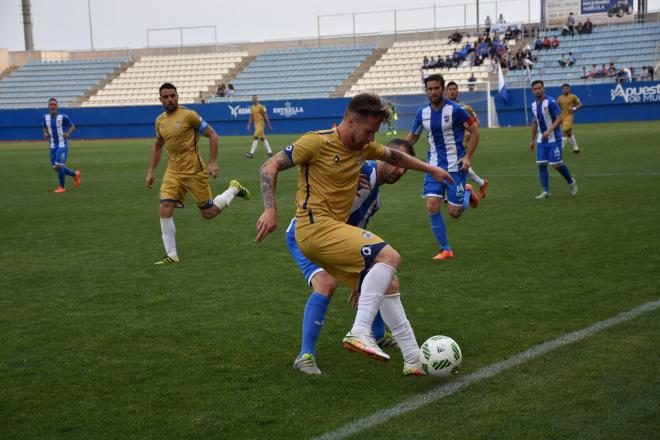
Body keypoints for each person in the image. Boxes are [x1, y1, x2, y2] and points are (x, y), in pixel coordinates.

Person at [255, 93, 453, 374]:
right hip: (311, 229)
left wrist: (431, 169)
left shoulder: (364, 149)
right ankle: (352, 334)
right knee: (387, 257)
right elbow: (269, 165)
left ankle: (413, 359)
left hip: (334, 232)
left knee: (388, 283)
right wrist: (270, 209)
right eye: (369, 131)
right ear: (350, 122)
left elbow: (395, 155)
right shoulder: (317, 141)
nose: (372, 138)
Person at [287, 139, 416, 374]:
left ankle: (376, 335)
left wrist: (359, 278)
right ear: (384, 156)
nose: (400, 170)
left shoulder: (374, 199)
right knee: (325, 283)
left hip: (334, 239)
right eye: (397, 162)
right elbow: (326, 166)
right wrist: (345, 180)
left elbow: (355, 234)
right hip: (306, 233)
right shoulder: (361, 169)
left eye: (404, 168)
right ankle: (305, 356)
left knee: (382, 278)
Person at [146, 83, 251, 265]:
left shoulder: (189, 115)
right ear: (160, 99)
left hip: (195, 171)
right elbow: (158, 145)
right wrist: (151, 171)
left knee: (209, 213)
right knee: (165, 207)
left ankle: (234, 189)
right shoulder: (160, 121)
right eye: (166, 97)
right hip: (173, 172)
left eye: (173, 95)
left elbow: (213, 135)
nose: (170, 99)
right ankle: (171, 255)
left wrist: (212, 162)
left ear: (178, 96)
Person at [405, 74, 480, 261]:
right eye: (429, 89)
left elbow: (475, 131)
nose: (433, 92)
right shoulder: (422, 112)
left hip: (456, 167)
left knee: (454, 213)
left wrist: (468, 157)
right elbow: (413, 136)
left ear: (443, 88)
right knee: (432, 205)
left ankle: (468, 192)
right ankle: (445, 249)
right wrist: (397, 151)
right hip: (433, 167)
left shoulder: (456, 110)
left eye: (436, 88)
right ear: (426, 91)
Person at [529, 80, 578, 199]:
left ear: (543, 89)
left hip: (554, 138)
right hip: (542, 140)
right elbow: (535, 122)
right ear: (532, 91)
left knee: (556, 165)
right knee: (541, 165)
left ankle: (571, 181)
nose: (537, 90)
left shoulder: (550, 102)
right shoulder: (533, 105)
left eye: (539, 88)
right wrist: (532, 140)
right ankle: (546, 192)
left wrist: (550, 130)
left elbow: (559, 118)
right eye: (535, 89)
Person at [445, 81, 489, 199]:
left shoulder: (465, 108)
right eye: (450, 89)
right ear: (446, 91)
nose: (452, 91)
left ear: (458, 91)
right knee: (461, 167)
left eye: (454, 89)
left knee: (454, 167)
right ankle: (480, 183)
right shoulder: (443, 108)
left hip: (460, 144)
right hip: (447, 144)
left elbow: (476, 122)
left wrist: (469, 133)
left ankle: (452, 194)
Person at [43, 97, 80, 193]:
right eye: (51, 104)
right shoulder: (45, 117)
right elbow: (45, 127)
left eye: (54, 105)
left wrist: (68, 133)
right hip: (52, 146)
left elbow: (72, 126)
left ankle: (62, 187)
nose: (52, 106)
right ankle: (75, 174)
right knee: (56, 167)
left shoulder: (63, 117)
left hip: (62, 144)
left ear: (57, 106)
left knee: (58, 166)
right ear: (48, 106)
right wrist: (45, 133)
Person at [557, 83, 583, 154]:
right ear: (562, 89)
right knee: (568, 133)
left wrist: (574, 108)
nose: (565, 89)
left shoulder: (573, 96)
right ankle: (576, 148)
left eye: (567, 88)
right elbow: (556, 107)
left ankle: (559, 151)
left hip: (569, 116)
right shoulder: (560, 98)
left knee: (564, 131)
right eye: (564, 88)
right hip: (562, 117)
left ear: (569, 89)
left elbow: (580, 104)